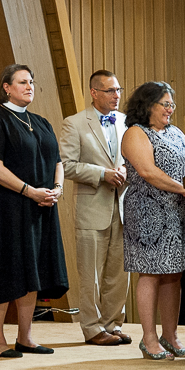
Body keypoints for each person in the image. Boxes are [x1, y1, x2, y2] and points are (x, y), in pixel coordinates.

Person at [0, 64, 69, 358]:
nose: (30, 86)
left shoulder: (41, 122)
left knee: (33, 270)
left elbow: (57, 162)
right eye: (23, 82)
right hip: (4, 210)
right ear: (6, 87)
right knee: (4, 270)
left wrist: (57, 189)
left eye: (32, 81)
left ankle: (25, 337)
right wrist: (29, 191)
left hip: (40, 209)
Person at [121, 81, 185, 360]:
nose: (170, 109)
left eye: (172, 104)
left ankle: (171, 336)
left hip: (181, 211)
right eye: (165, 104)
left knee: (174, 274)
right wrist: (182, 188)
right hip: (149, 213)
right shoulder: (135, 133)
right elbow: (147, 171)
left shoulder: (176, 132)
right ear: (148, 106)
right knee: (151, 272)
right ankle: (148, 339)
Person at [59, 70, 130, 346]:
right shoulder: (74, 123)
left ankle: (113, 323)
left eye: (118, 89)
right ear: (94, 93)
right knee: (91, 274)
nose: (117, 95)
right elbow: (67, 165)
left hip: (122, 206)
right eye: (111, 90)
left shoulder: (126, 121)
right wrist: (102, 174)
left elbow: (132, 157)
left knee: (118, 272)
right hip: (92, 206)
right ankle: (92, 328)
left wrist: (124, 168)